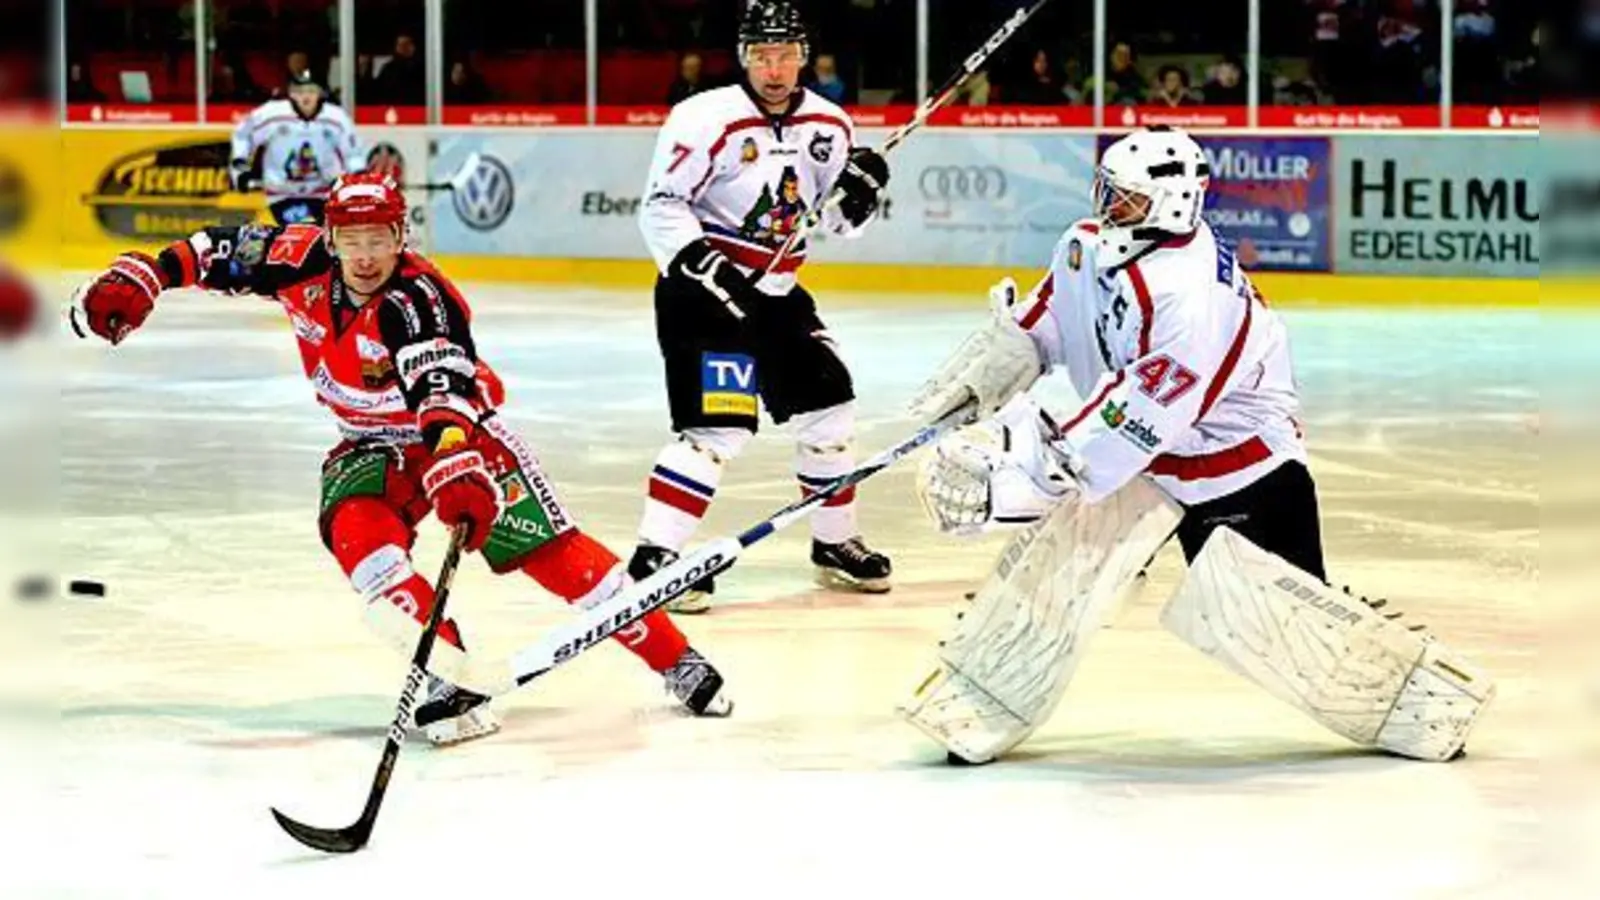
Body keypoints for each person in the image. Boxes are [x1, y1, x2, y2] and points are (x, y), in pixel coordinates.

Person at [68, 173, 734, 746]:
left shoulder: (420, 302)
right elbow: (215, 249)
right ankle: (453, 675)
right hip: (368, 441)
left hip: (456, 437)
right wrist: (147, 274)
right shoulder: (297, 255)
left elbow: (440, 389)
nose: (365, 256)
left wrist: (454, 463)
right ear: (330, 239)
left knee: (551, 554)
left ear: (401, 237)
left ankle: (678, 660)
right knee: (360, 537)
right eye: (352, 241)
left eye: (379, 239)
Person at [901, 126, 1491, 765]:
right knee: (1058, 569)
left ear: (1173, 203)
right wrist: (990, 369)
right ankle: (981, 693)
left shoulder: (1187, 298)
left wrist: (1022, 483)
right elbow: (1046, 322)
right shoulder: (1087, 245)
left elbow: (1135, 423)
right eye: (1107, 191)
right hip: (1149, 450)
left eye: (1123, 199)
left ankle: (1425, 703)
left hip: (1235, 461)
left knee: (1279, 625)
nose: (1107, 207)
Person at [631, 0, 893, 614]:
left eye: (785, 55)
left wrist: (861, 196)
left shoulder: (830, 125)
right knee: (716, 430)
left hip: (776, 295)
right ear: (744, 57)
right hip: (704, 299)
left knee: (831, 406)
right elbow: (661, 204)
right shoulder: (703, 118)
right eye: (761, 56)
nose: (774, 70)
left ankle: (833, 544)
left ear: (805, 56)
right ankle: (654, 558)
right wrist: (703, 264)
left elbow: (830, 221)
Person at [229, 70, 363, 226]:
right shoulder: (271, 114)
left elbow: (354, 154)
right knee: (298, 234)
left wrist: (356, 179)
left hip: (323, 196)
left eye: (311, 91)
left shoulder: (336, 118)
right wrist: (240, 170)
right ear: (291, 93)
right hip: (281, 196)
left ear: (320, 93)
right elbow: (243, 136)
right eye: (300, 92)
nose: (305, 97)